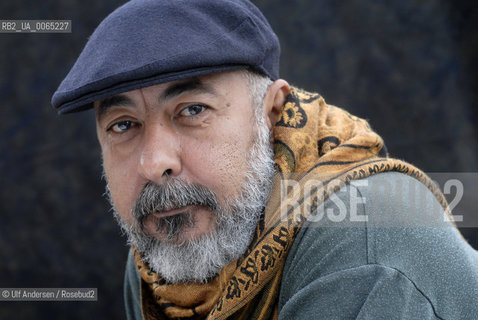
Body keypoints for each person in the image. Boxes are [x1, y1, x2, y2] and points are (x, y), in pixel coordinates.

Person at [52, 0, 478, 319]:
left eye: (193, 110)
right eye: (123, 125)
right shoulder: (162, 249)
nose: (154, 163)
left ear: (271, 112)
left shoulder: (369, 240)